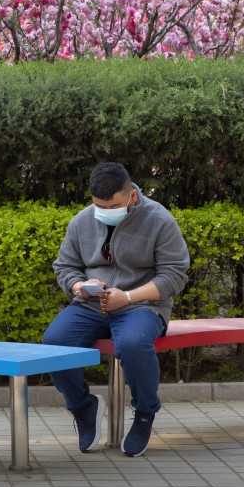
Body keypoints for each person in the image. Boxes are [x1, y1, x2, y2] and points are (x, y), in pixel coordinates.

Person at [43, 161, 189, 457]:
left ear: (132, 195)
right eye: (99, 205)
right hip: (90, 304)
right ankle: (83, 408)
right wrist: (79, 286)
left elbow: (175, 274)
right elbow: (65, 267)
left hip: (143, 307)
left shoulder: (159, 219)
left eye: (113, 205)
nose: (105, 211)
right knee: (54, 343)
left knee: (133, 343)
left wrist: (130, 296)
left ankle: (145, 413)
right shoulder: (82, 221)